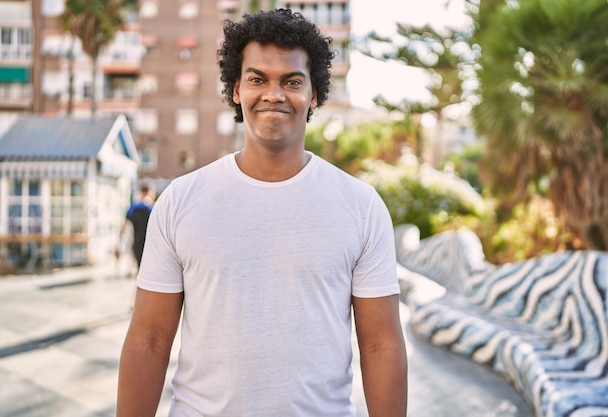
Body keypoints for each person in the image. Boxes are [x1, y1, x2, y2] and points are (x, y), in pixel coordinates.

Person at [117, 8, 407, 417]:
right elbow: (148, 339)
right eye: (257, 79)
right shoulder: (181, 200)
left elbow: (382, 346)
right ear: (236, 90)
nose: (274, 93)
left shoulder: (360, 206)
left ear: (315, 95)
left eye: (292, 81)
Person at [115, 182, 155, 269]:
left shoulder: (133, 207)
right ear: (150, 192)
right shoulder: (153, 207)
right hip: (150, 245)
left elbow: (124, 227)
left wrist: (117, 245)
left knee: (139, 270)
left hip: (137, 244)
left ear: (141, 192)